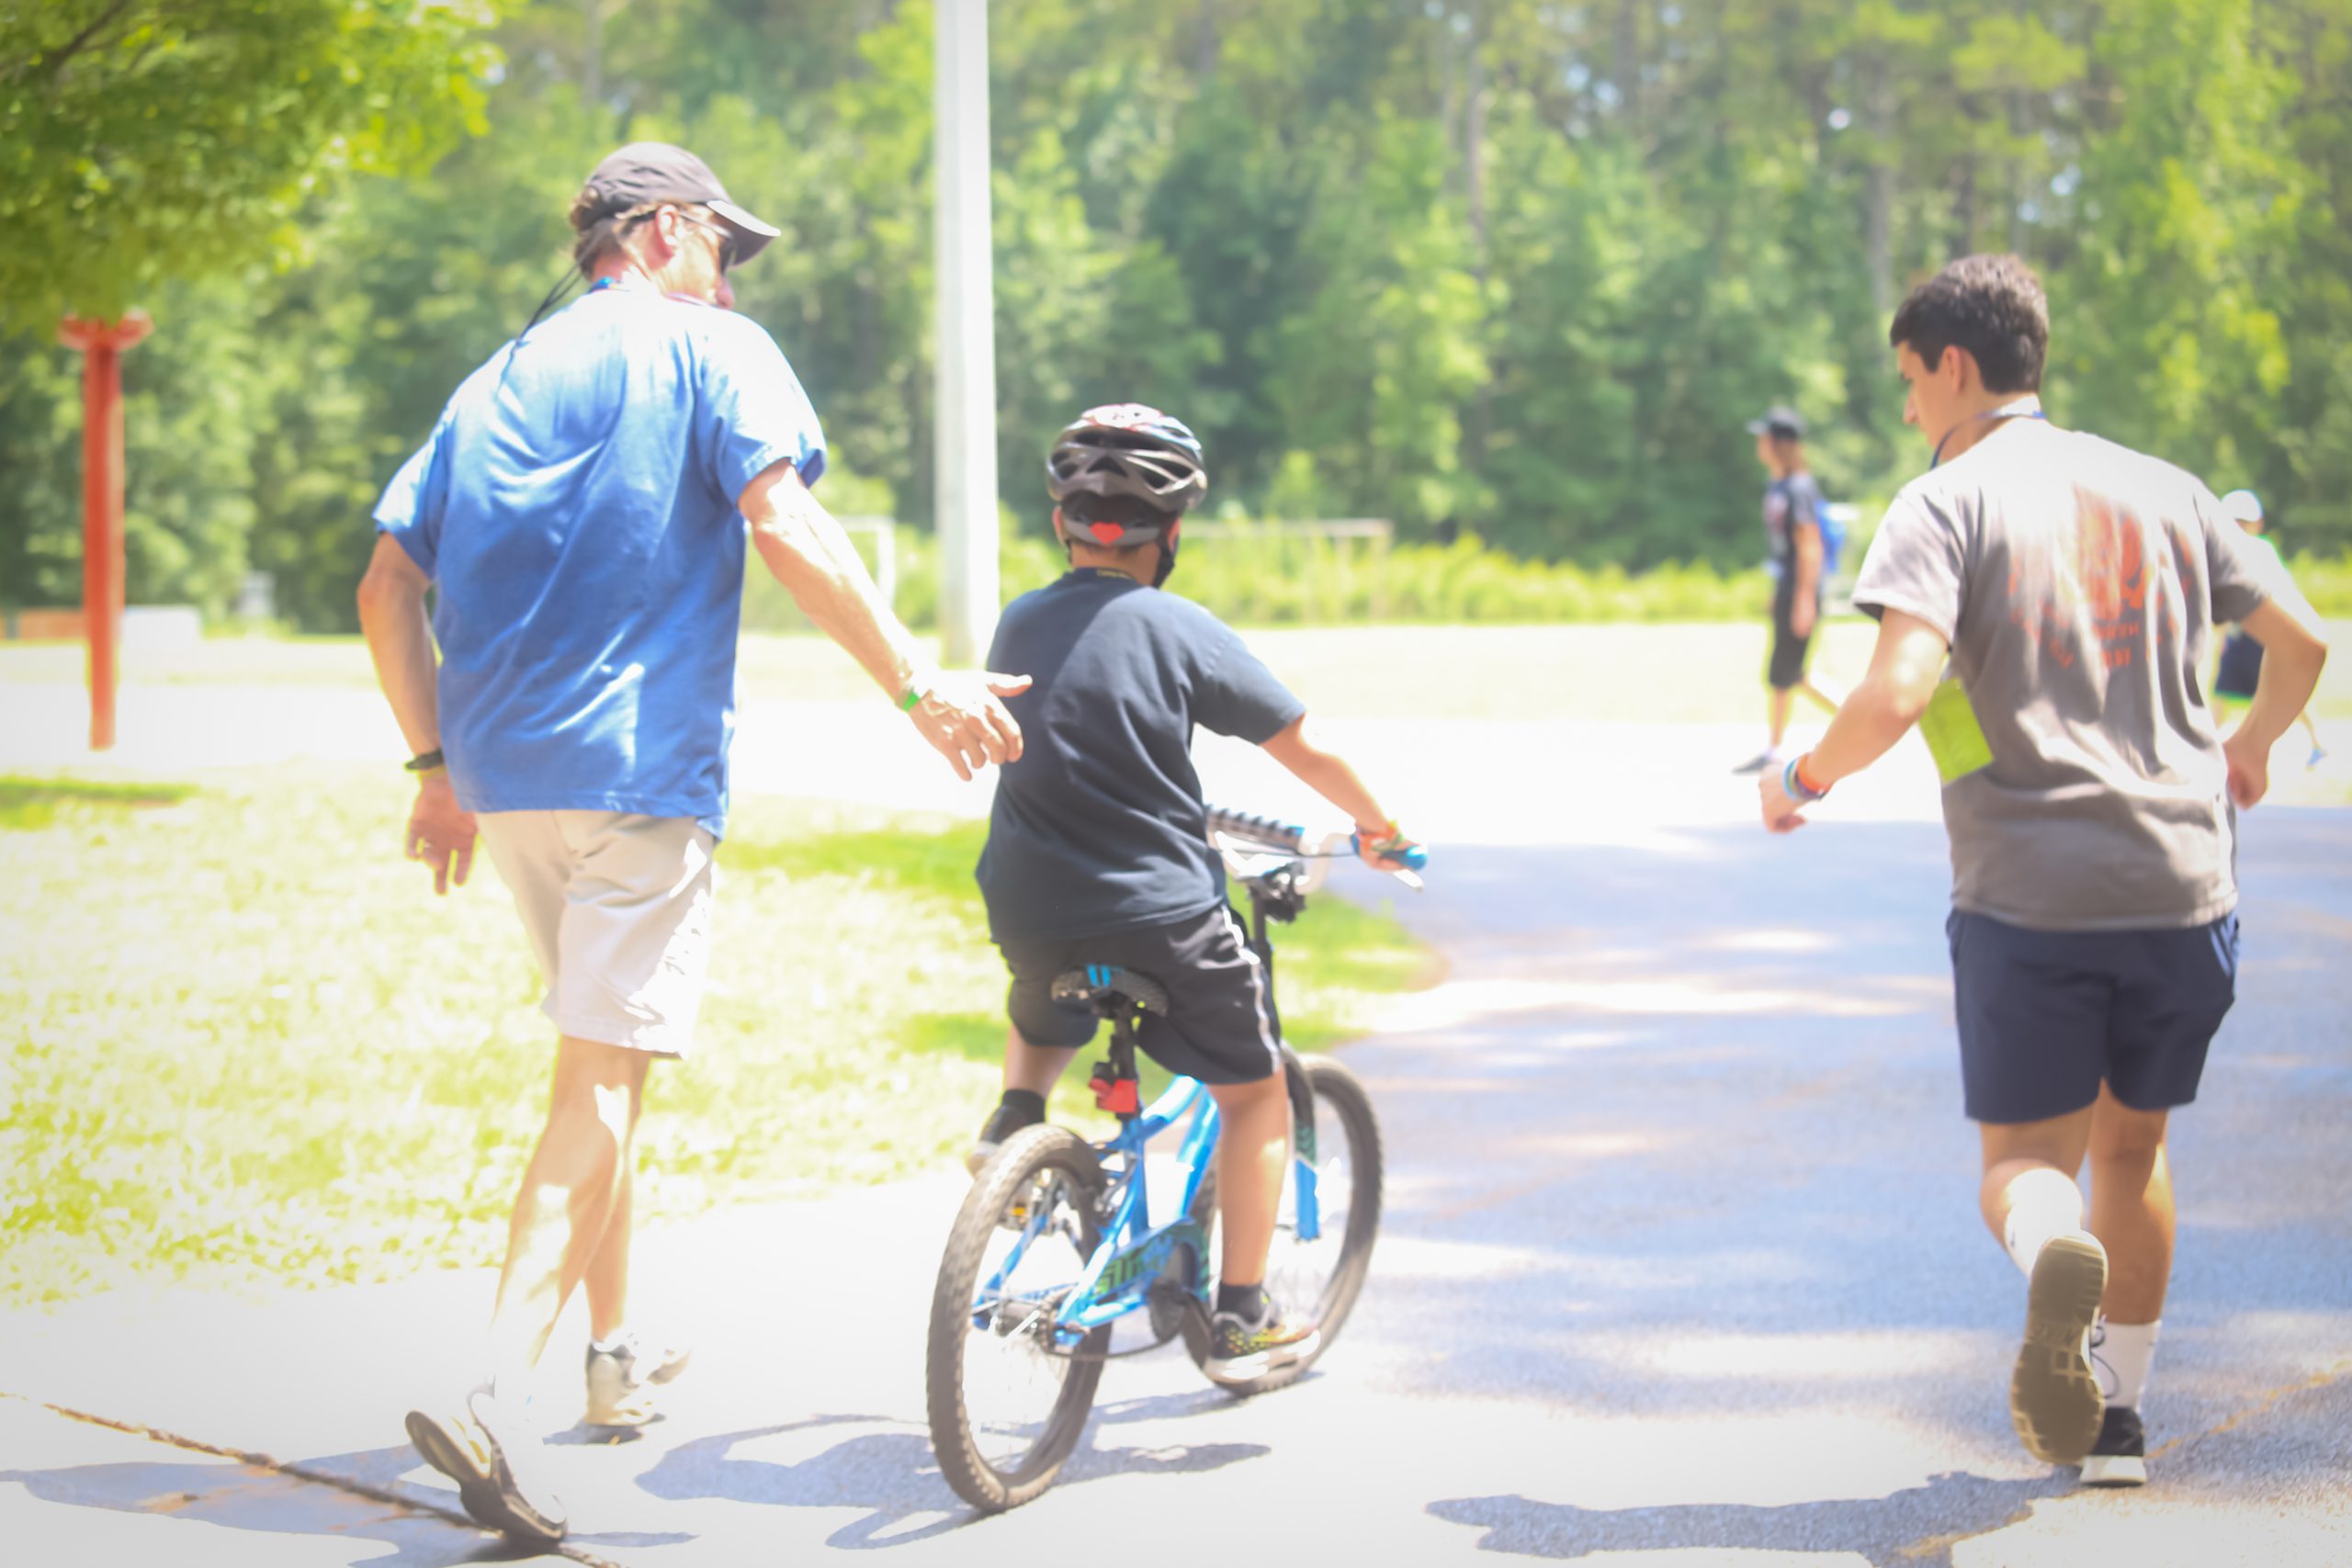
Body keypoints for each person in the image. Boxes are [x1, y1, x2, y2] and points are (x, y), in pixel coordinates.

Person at [356, 141, 1026, 1543]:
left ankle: (608, 1358)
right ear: (662, 231)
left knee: (601, 1065)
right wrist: (917, 680)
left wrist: (431, 767)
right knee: (600, 1080)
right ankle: (487, 1382)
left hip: (507, 780)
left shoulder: (494, 380)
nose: (729, 276)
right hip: (638, 778)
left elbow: (385, 580)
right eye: (723, 245)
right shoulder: (718, 352)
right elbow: (782, 519)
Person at [1757, 254, 2326, 1487]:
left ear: (1954, 366)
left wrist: (1801, 779)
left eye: (1909, 381)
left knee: (2025, 1169)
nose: (1909, 408)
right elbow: (2304, 636)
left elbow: (1896, 692)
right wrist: (2253, 744)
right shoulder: (2167, 486)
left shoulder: (1943, 501)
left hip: (2031, 896)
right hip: (2187, 888)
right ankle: (2116, 1422)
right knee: (2135, 1147)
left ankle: (2049, 1247)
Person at [965, 403, 1421, 1384]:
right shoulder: (1181, 627)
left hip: (1027, 899)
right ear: (1171, 535)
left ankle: (1012, 1117)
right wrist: (1381, 830)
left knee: (1045, 991)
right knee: (1254, 1093)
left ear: (1062, 525)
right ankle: (1242, 1317)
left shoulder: (1021, 616)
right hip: (1159, 912)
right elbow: (1303, 746)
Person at [1734, 406, 1841, 773]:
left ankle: (1853, 720)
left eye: (1764, 437)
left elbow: (1809, 544)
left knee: (1791, 672)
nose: (1759, 444)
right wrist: (1778, 588)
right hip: (1787, 584)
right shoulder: (1777, 485)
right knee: (1786, 672)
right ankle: (1774, 747)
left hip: (1801, 587)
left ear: (1780, 443)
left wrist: (1803, 598)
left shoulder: (1799, 488)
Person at [2211, 490, 2325, 767]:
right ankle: (2211, 748)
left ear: (2257, 523)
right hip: (2240, 635)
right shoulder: (2227, 550)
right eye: (2234, 521)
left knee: (2279, 691)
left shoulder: (2260, 550)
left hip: (2264, 636)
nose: (2239, 527)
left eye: (2244, 521)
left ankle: (2318, 743)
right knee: (2221, 693)